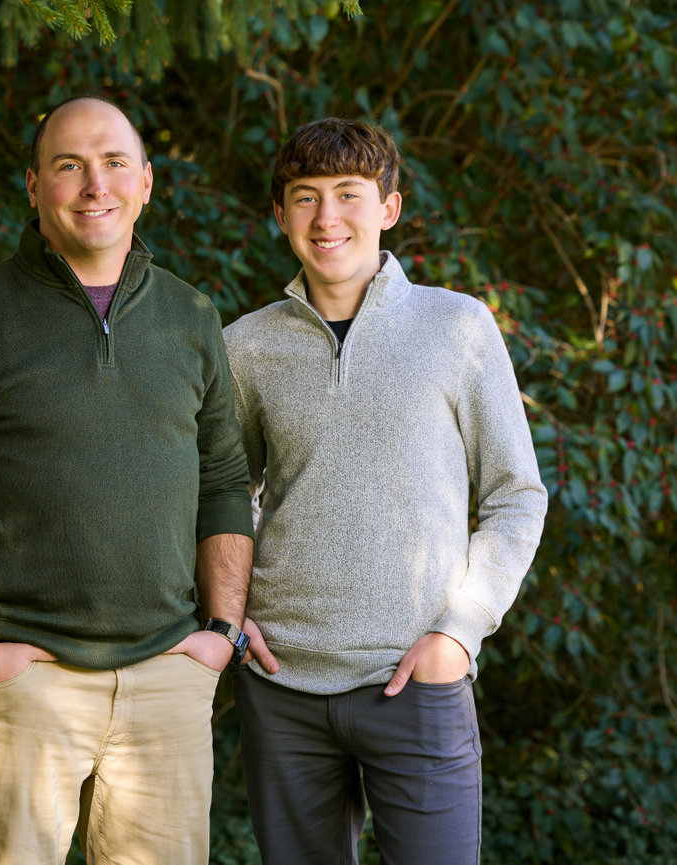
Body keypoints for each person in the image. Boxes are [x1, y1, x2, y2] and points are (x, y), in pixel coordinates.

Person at [0, 94, 256, 865]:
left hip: (166, 683)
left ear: (146, 182)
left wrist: (221, 632)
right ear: (33, 185)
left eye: (115, 162)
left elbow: (223, 479)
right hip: (22, 686)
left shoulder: (191, 317)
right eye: (69, 165)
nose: (95, 184)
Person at [222, 117, 548, 864]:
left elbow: (515, 495)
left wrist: (460, 632)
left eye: (348, 194)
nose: (326, 217)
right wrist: (231, 610)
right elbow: (226, 491)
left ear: (389, 208)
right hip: (281, 683)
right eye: (305, 197)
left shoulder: (457, 327)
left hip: (417, 680)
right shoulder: (246, 346)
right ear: (280, 215)